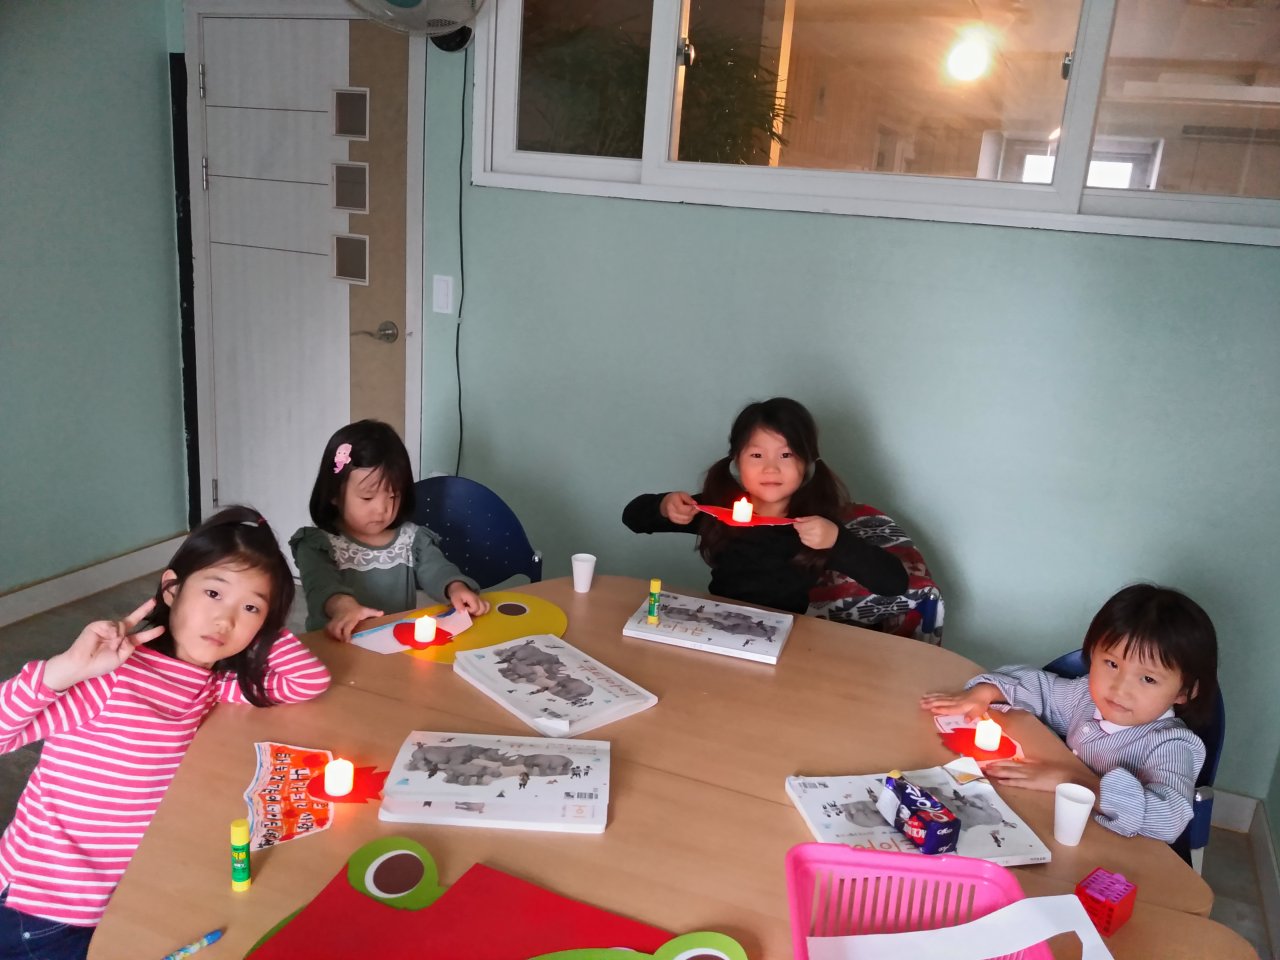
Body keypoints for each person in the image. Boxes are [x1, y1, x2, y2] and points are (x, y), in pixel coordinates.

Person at [0, 506, 331, 958]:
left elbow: (306, 682)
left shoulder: (210, 686)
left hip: (118, 898)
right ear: (172, 589)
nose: (225, 620)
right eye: (213, 593)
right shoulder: (114, 677)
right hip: (43, 907)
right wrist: (63, 670)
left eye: (251, 607)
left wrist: (263, 629)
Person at [920, 583, 1218, 843]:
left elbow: (1169, 820)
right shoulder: (1085, 698)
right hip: (1056, 827)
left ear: (1184, 692)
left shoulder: (1172, 745)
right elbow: (1041, 688)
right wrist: (984, 693)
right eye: (1112, 664)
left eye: (1148, 679)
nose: (1120, 688)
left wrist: (1075, 781)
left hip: (1117, 855)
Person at [622, 397, 912, 622]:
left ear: (807, 463)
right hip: (717, 626)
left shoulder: (815, 526)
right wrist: (664, 506)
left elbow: (893, 583)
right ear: (737, 461)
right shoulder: (718, 508)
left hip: (789, 639)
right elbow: (632, 517)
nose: (770, 468)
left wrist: (837, 540)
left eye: (786, 454)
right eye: (757, 454)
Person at [291, 420, 488, 641]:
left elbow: (436, 568)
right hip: (335, 646)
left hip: (392, 646)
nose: (382, 509)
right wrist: (342, 605)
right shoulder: (317, 544)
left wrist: (455, 586)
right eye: (367, 497)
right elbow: (320, 585)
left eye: (393, 496)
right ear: (334, 494)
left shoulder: (411, 539)